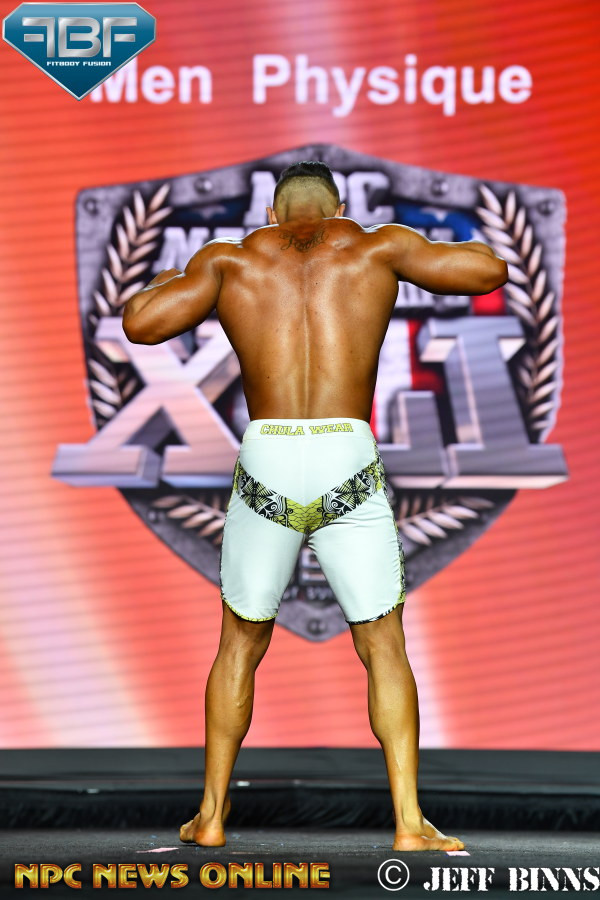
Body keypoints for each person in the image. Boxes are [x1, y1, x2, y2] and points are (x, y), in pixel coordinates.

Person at [122, 160, 508, 851]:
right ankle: (409, 823)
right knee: (383, 645)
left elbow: (141, 324)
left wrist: (170, 278)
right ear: (338, 208)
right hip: (344, 460)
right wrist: (404, 242)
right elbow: (489, 271)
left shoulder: (229, 259)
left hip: (267, 460)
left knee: (239, 642)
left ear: (271, 214)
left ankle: (210, 817)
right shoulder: (376, 246)